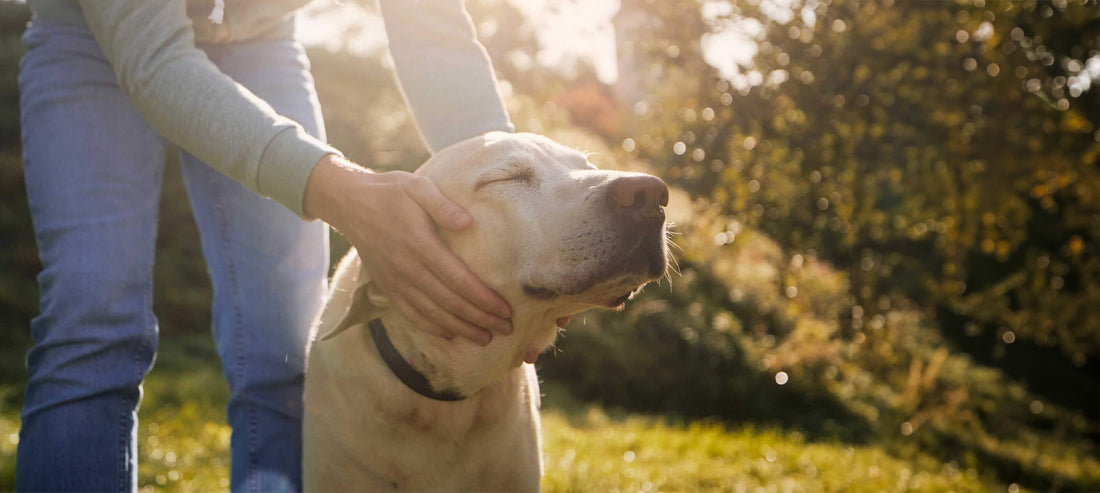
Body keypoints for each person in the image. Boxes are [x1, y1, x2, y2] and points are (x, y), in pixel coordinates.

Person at [16, 0, 517, 490]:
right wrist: (341, 193)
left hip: (260, 41)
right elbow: (156, 63)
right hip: (90, 40)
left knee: (285, 351)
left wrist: (519, 201)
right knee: (93, 325)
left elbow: (431, 32)